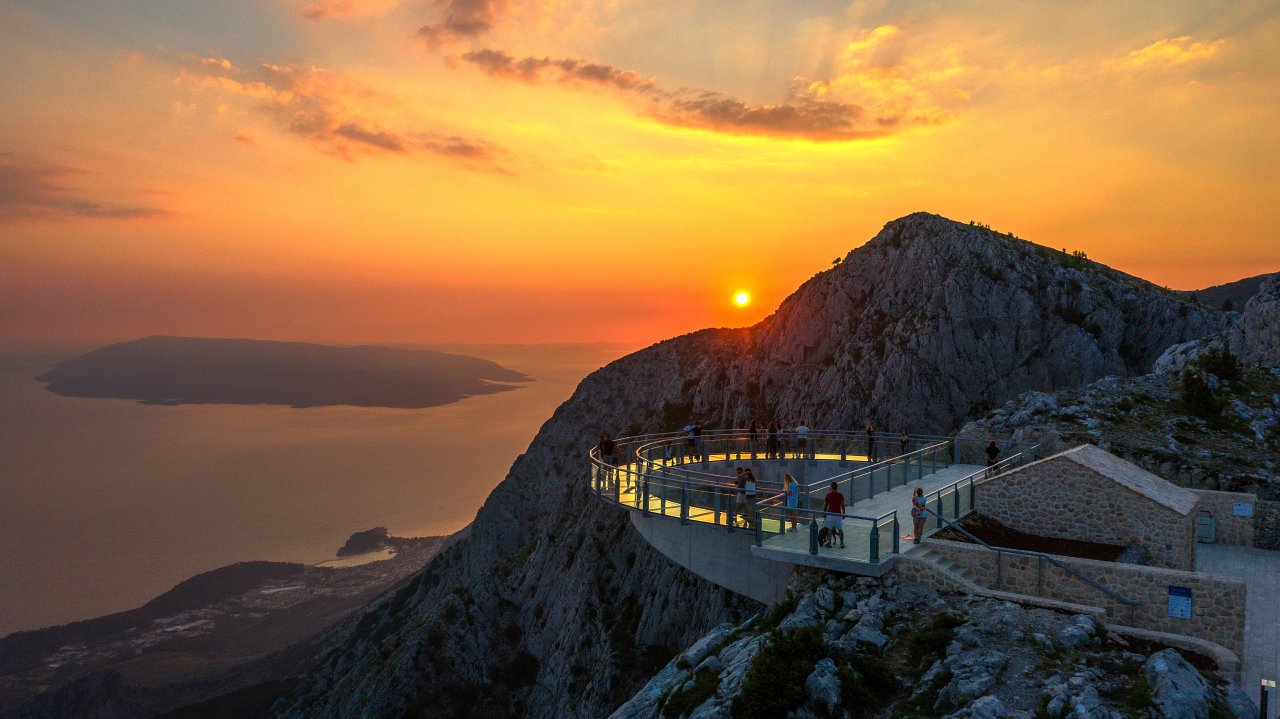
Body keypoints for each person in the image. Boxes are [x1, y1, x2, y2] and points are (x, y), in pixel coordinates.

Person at [823, 482, 846, 548]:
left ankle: (829, 543)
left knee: (829, 529)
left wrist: (824, 513)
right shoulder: (840, 495)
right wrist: (843, 514)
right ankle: (842, 543)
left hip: (830, 514)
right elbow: (843, 505)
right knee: (840, 529)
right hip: (838, 514)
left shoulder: (828, 495)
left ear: (831, 487)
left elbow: (825, 505)